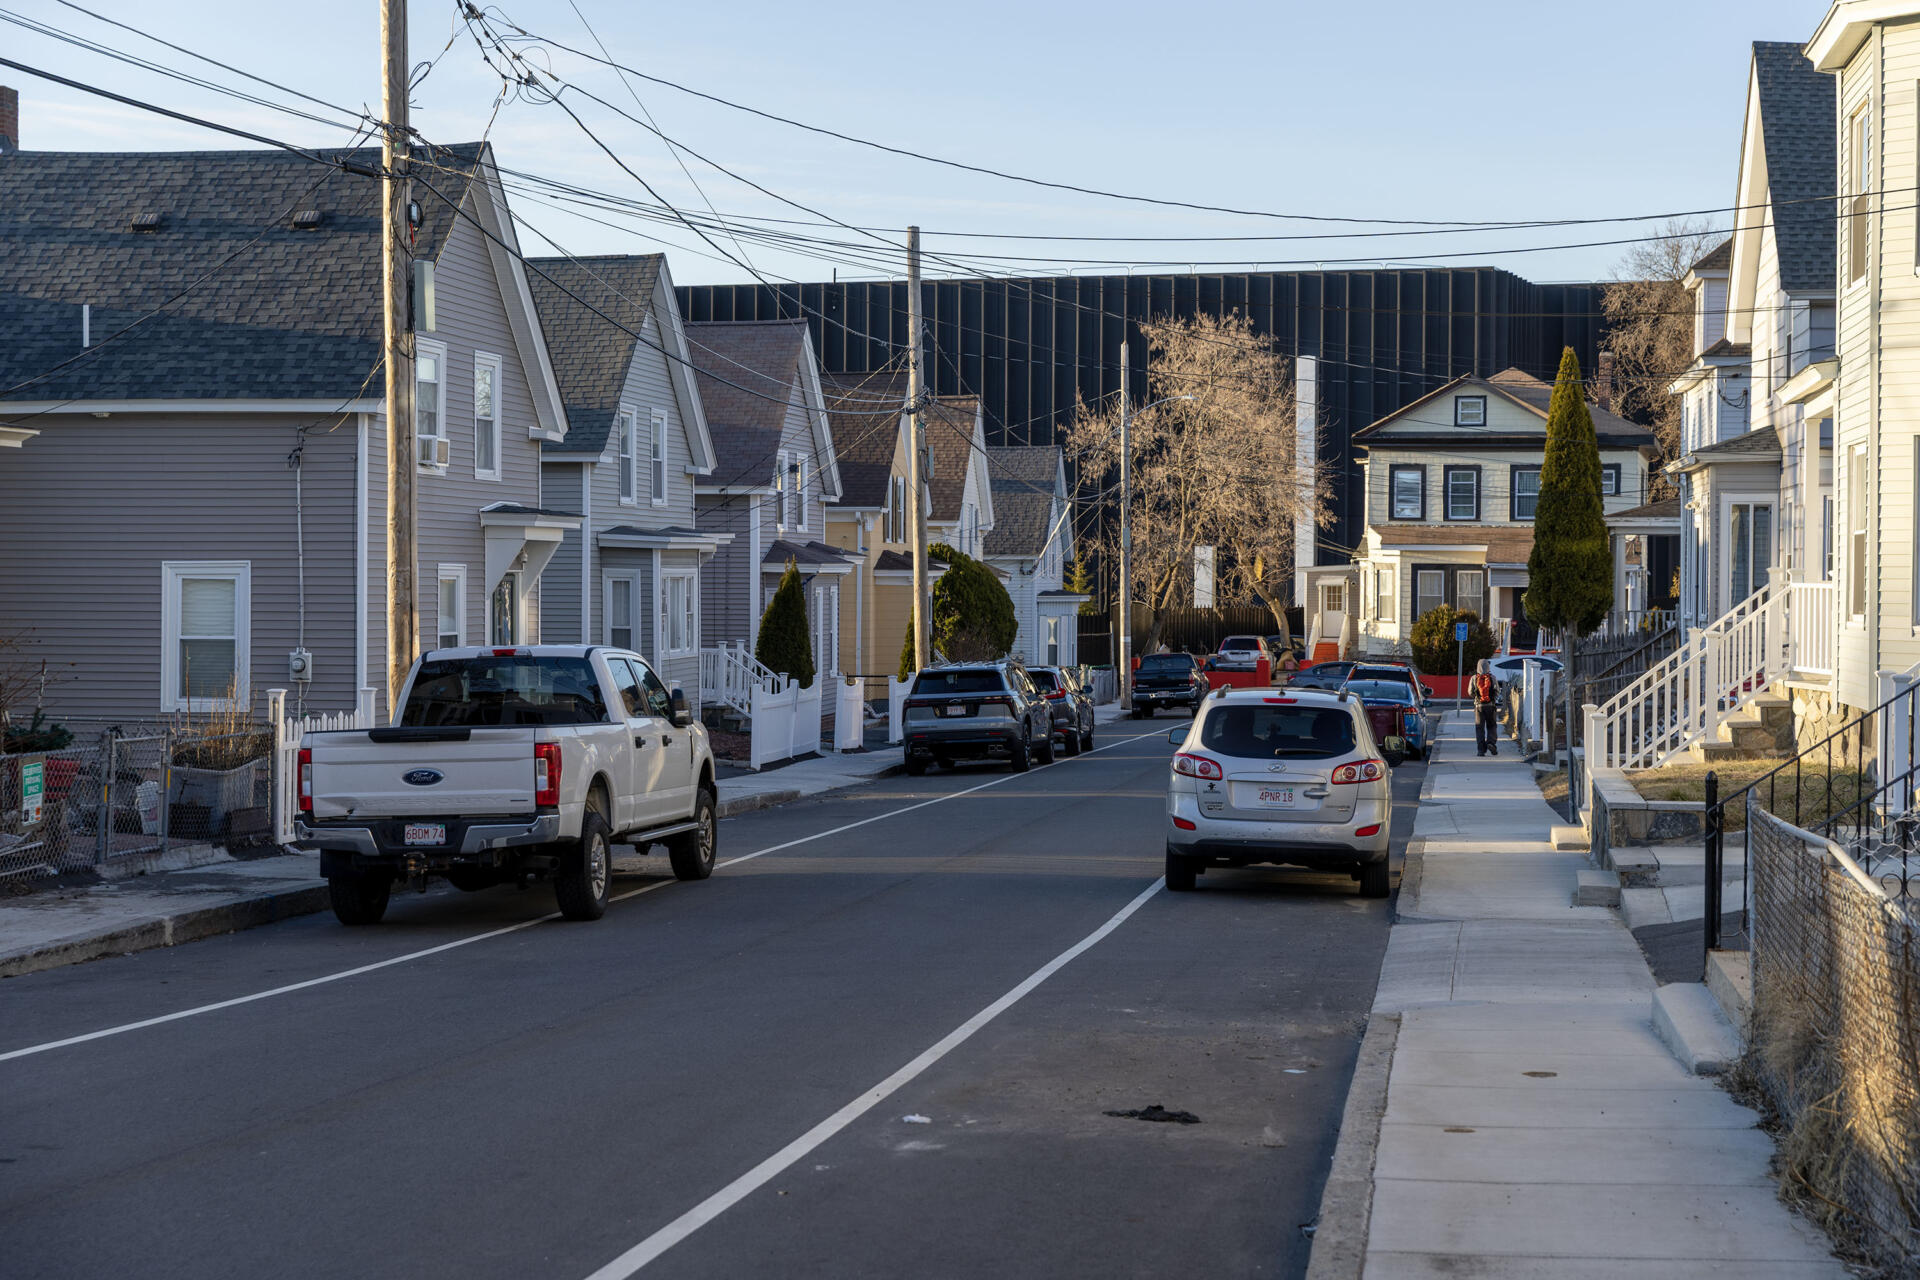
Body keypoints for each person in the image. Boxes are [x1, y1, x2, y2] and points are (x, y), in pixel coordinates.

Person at [1471, 659, 1500, 756]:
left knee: (1479, 728)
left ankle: (1481, 750)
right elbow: (1497, 691)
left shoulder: (1474, 678)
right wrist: (1493, 698)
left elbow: (1470, 692)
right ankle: (1491, 742)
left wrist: (1476, 697)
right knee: (1492, 726)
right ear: (1488, 666)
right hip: (1491, 706)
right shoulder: (1492, 678)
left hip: (1479, 707)